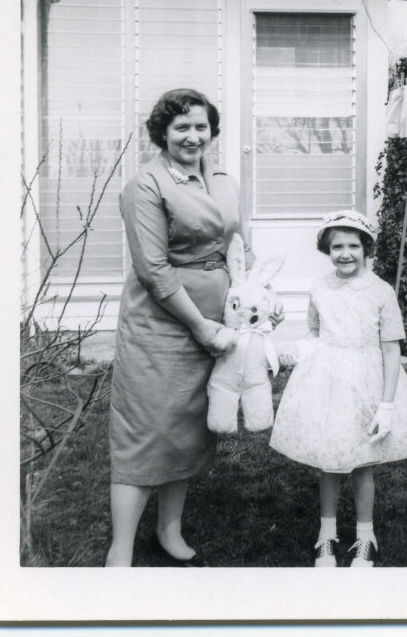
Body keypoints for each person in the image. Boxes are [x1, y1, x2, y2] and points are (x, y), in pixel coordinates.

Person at [105, 88, 280, 567]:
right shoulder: (145, 185)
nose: (192, 136)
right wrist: (200, 326)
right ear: (162, 133)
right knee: (147, 430)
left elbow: (238, 243)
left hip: (217, 321)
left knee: (186, 430)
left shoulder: (221, 178)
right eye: (181, 127)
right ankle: (119, 551)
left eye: (201, 126)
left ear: (212, 131)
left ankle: (169, 530)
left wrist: (259, 298)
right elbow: (154, 271)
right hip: (162, 325)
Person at [269, 210, 407, 567]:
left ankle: (365, 535)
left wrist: (386, 405)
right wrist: (286, 338)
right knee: (330, 460)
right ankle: (326, 535)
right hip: (327, 381)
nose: (345, 253)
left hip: (367, 381)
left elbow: (390, 349)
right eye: (337, 245)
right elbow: (315, 332)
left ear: (366, 248)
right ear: (327, 249)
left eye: (353, 245)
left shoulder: (381, 292)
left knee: (362, 463)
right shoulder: (320, 287)